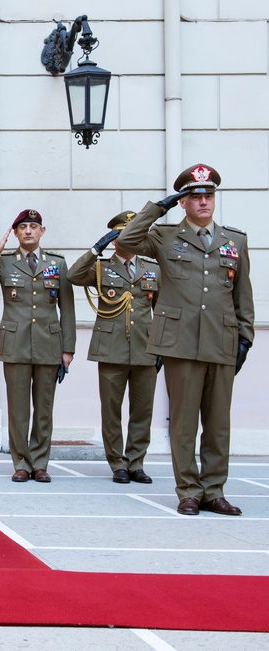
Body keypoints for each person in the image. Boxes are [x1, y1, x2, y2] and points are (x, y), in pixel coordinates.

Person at [117, 164, 254, 516]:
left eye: (209, 196)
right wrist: (156, 208)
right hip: (179, 342)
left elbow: (242, 294)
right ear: (184, 202)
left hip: (221, 340)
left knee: (218, 423)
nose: (204, 202)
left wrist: (245, 337)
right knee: (183, 423)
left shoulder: (234, 240)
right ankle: (189, 490)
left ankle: (214, 490)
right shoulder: (164, 236)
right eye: (196, 197)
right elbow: (127, 241)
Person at [0, 209, 75, 484]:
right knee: (18, 410)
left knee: (44, 408)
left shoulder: (57, 263)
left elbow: (68, 308)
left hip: (49, 344)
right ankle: (21, 463)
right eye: (23, 227)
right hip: (15, 344)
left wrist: (68, 348)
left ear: (42, 231)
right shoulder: (4, 262)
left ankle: (40, 463)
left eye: (33, 226)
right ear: (15, 233)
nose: (28, 231)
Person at [67, 211, 160, 484]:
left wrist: (162, 347)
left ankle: (136, 462)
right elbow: (73, 275)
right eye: (122, 235)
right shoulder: (100, 268)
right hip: (110, 348)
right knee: (111, 410)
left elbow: (162, 309)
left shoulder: (153, 270)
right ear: (114, 239)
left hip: (146, 347)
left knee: (143, 410)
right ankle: (117, 463)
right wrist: (96, 249)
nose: (129, 240)